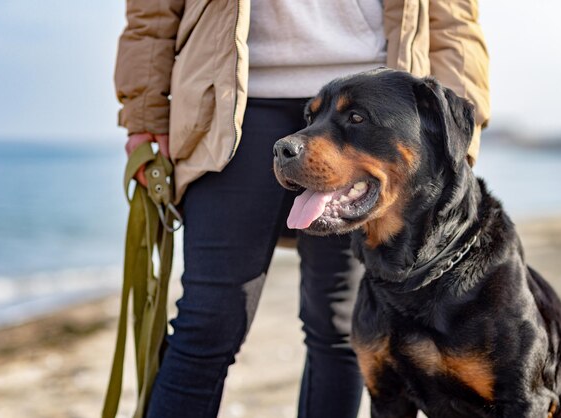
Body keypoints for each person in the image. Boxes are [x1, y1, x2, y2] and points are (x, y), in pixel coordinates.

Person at [115, 0, 490, 416]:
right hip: (228, 101)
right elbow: (152, 11)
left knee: (338, 328)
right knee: (207, 322)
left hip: (377, 103)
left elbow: (453, 17)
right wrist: (144, 114)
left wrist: (459, 135)